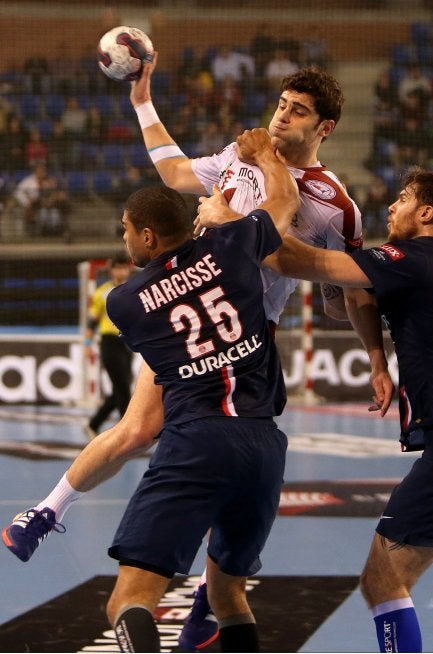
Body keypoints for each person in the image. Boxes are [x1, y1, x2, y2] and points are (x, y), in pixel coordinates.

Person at [2, 57, 393, 651]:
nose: (282, 116)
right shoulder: (240, 156)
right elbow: (174, 169)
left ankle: (200, 592)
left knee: (183, 444)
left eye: (298, 111)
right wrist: (142, 100)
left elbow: (345, 288)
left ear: (325, 128)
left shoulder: (334, 204)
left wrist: (375, 357)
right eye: (281, 104)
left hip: (247, 331)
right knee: (142, 429)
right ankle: (49, 513)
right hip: (192, 314)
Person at [247, 166, 433, 653]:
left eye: (403, 199)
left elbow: (288, 258)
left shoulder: (413, 258)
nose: (392, 207)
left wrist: (236, 217)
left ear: (426, 213)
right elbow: (348, 301)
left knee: (382, 582)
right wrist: (378, 359)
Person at [110, 129, 298, 652]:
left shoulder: (124, 302)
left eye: (126, 229)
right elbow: (286, 201)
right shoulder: (233, 245)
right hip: (263, 447)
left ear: (149, 237)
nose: (123, 239)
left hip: (196, 440)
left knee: (128, 600)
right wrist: (265, 156)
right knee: (228, 597)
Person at [84, 253, 134, 440]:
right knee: (123, 388)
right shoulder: (102, 293)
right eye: (117, 268)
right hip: (110, 342)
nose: (121, 271)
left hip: (128, 343)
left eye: (124, 267)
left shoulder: (134, 290)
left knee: (121, 388)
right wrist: (87, 344)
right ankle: (126, 431)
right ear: (111, 270)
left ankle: (93, 424)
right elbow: (92, 321)